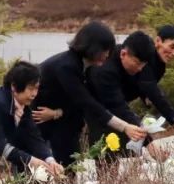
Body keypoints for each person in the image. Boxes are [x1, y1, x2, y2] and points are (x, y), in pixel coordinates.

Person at [32, 21, 146, 164]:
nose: (108, 55)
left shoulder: (86, 66)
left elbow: (92, 101)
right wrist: (125, 127)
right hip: (42, 123)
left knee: (70, 166)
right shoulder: (67, 66)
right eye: (105, 50)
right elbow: (87, 103)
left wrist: (58, 113)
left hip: (64, 120)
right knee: (44, 168)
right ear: (94, 48)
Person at [86, 31, 160, 154]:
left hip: (103, 105)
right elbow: (118, 107)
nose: (140, 68)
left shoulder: (129, 57)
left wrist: (145, 95)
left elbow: (144, 81)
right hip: (76, 105)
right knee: (105, 145)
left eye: (143, 65)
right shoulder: (105, 70)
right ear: (123, 54)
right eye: (137, 63)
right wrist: (148, 142)